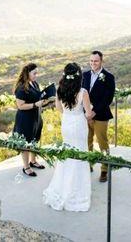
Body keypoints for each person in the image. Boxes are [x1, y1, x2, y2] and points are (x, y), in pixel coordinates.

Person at [43, 62, 95, 211]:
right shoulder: (83, 92)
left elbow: (59, 108)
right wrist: (90, 112)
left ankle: (63, 188)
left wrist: (69, 112)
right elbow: (88, 113)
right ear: (78, 76)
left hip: (67, 123)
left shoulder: (60, 90)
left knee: (67, 155)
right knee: (80, 154)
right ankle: (77, 191)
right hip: (79, 124)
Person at [12, 63, 52, 177]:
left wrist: (45, 101)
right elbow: (20, 105)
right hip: (25, 119)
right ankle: (26, 167)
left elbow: (38, 98)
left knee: (35, 139)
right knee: (25, 143)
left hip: (36, 117)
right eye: (34, 73)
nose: (36, 75)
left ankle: (33, 161)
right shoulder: (21, 87)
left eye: (37, 73)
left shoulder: (34, 83)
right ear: (27, 73)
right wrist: (36, 104)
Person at [82, 50, 115, 183]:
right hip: (85, 115)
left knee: (102, 142)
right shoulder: (84, 75)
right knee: (87, 141)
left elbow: (108, 98)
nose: (93, 63)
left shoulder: (108, 76)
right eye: (91, 61)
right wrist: (86, 112)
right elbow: (81, 94)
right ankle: (89, 164)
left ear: (101, 61)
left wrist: (94, 111)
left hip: (100, 115)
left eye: (95, 61)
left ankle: (104, 169)